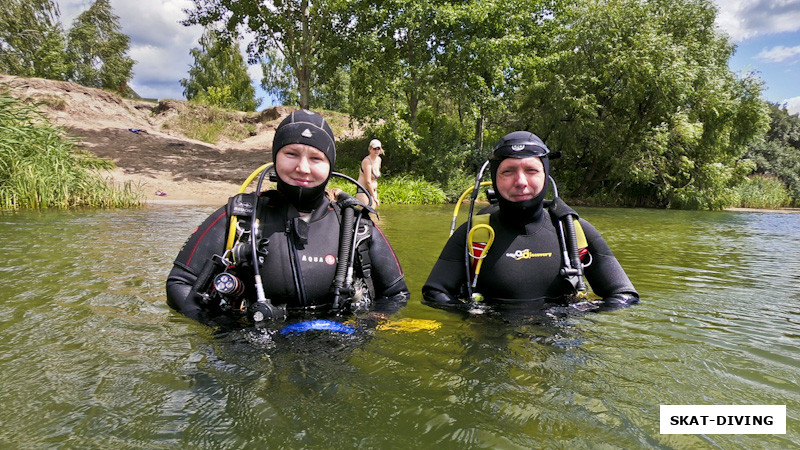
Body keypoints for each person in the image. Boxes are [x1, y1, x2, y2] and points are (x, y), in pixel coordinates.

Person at [166, 110, 409, 325]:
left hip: (335, 353)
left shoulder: (354, 226)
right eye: (291, 153)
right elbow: (179, 284)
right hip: (254, 357)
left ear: (330, 165)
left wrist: (365, 327)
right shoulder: (239, 219)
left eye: (316, 158)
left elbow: (396, 293)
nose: (303, 167)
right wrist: (227, 329)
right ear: (275, 157)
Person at [422, 131, 638, 310]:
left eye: (531, 170)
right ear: (495, 178)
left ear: (545, 174)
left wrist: (579, 315)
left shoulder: (571, 230)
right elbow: (435, 292)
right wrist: (477, 317)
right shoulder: (475, 232)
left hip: (558, 350)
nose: (521, 181)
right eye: (508, 171)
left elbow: (624, 295)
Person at [356, 139, 383, 207]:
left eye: (378, 148)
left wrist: (374, 195)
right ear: (370, 149)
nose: (376, 150)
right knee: (367, 214)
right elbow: (368, 181)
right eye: (374, 149)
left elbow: (375, 178)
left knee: (373, 215)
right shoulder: (367, 161)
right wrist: (374, 197)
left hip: (373, 191)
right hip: (364, 192)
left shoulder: (379, 160)